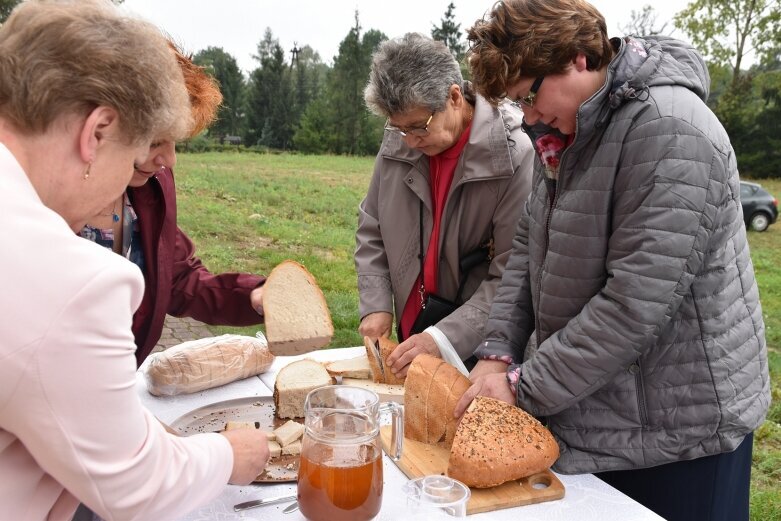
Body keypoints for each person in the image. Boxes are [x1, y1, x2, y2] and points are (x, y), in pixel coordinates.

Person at [456, 1, 771, 520]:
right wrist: (496, 352)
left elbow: (633, 305)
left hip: (682, 435)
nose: (528, 117)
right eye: (518, 105)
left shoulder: (672, 130)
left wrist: (520, 387)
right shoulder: (563, 136)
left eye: (529, 96)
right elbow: (526, 257)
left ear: (578, 58)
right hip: (598, 411)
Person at [0, 2, 269, 520]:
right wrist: (224, 455)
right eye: (135, 153)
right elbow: (132, 484)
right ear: (96, 131)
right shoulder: (69, 277)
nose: (144, 169)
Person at [356, 33, 534, 377]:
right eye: (398, 127)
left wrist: (442, 339)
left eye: (418, 127)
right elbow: (372, 227)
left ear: (454, 96)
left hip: (475, 346)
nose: (408, 141)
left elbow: (513, 273)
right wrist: (376, 303)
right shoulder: (401, 137)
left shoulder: (513, 154)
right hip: (413, 336)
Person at [80, 44, 265, 367]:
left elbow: (177, 277)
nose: (169, 159)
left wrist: (251, 295)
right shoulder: (39, 202)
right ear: (100, 124)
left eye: (175, 140)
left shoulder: (150, 186)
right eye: (155, 142)